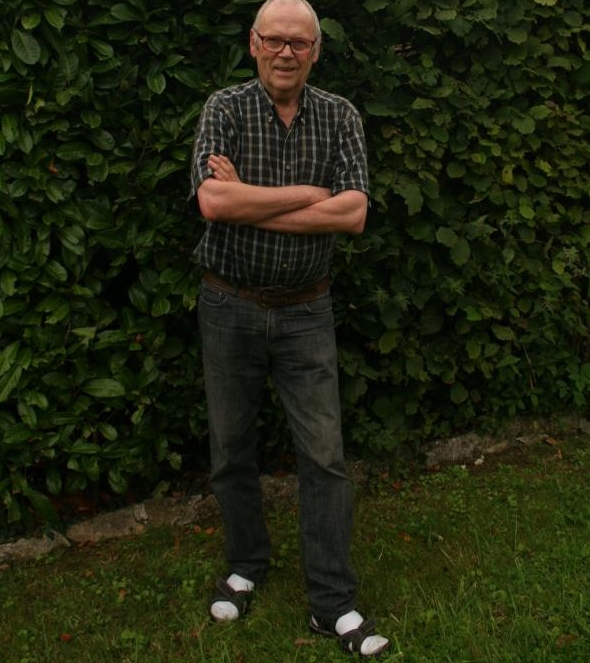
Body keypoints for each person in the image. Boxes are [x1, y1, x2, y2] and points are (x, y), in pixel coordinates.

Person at [188, 0, 389, 657]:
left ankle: (332, 602)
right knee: (231, 447)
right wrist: (309, 194)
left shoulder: (340, 116)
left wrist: (250, 200)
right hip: (229, 305)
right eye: (274, 40)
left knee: (324, 455)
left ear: (316, 52)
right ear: (253, 43)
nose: (285, 53)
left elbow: (354, 213)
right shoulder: (224, 109)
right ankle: (246, 565)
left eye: (299, 43)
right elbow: (212, 201)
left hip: (307, 310)